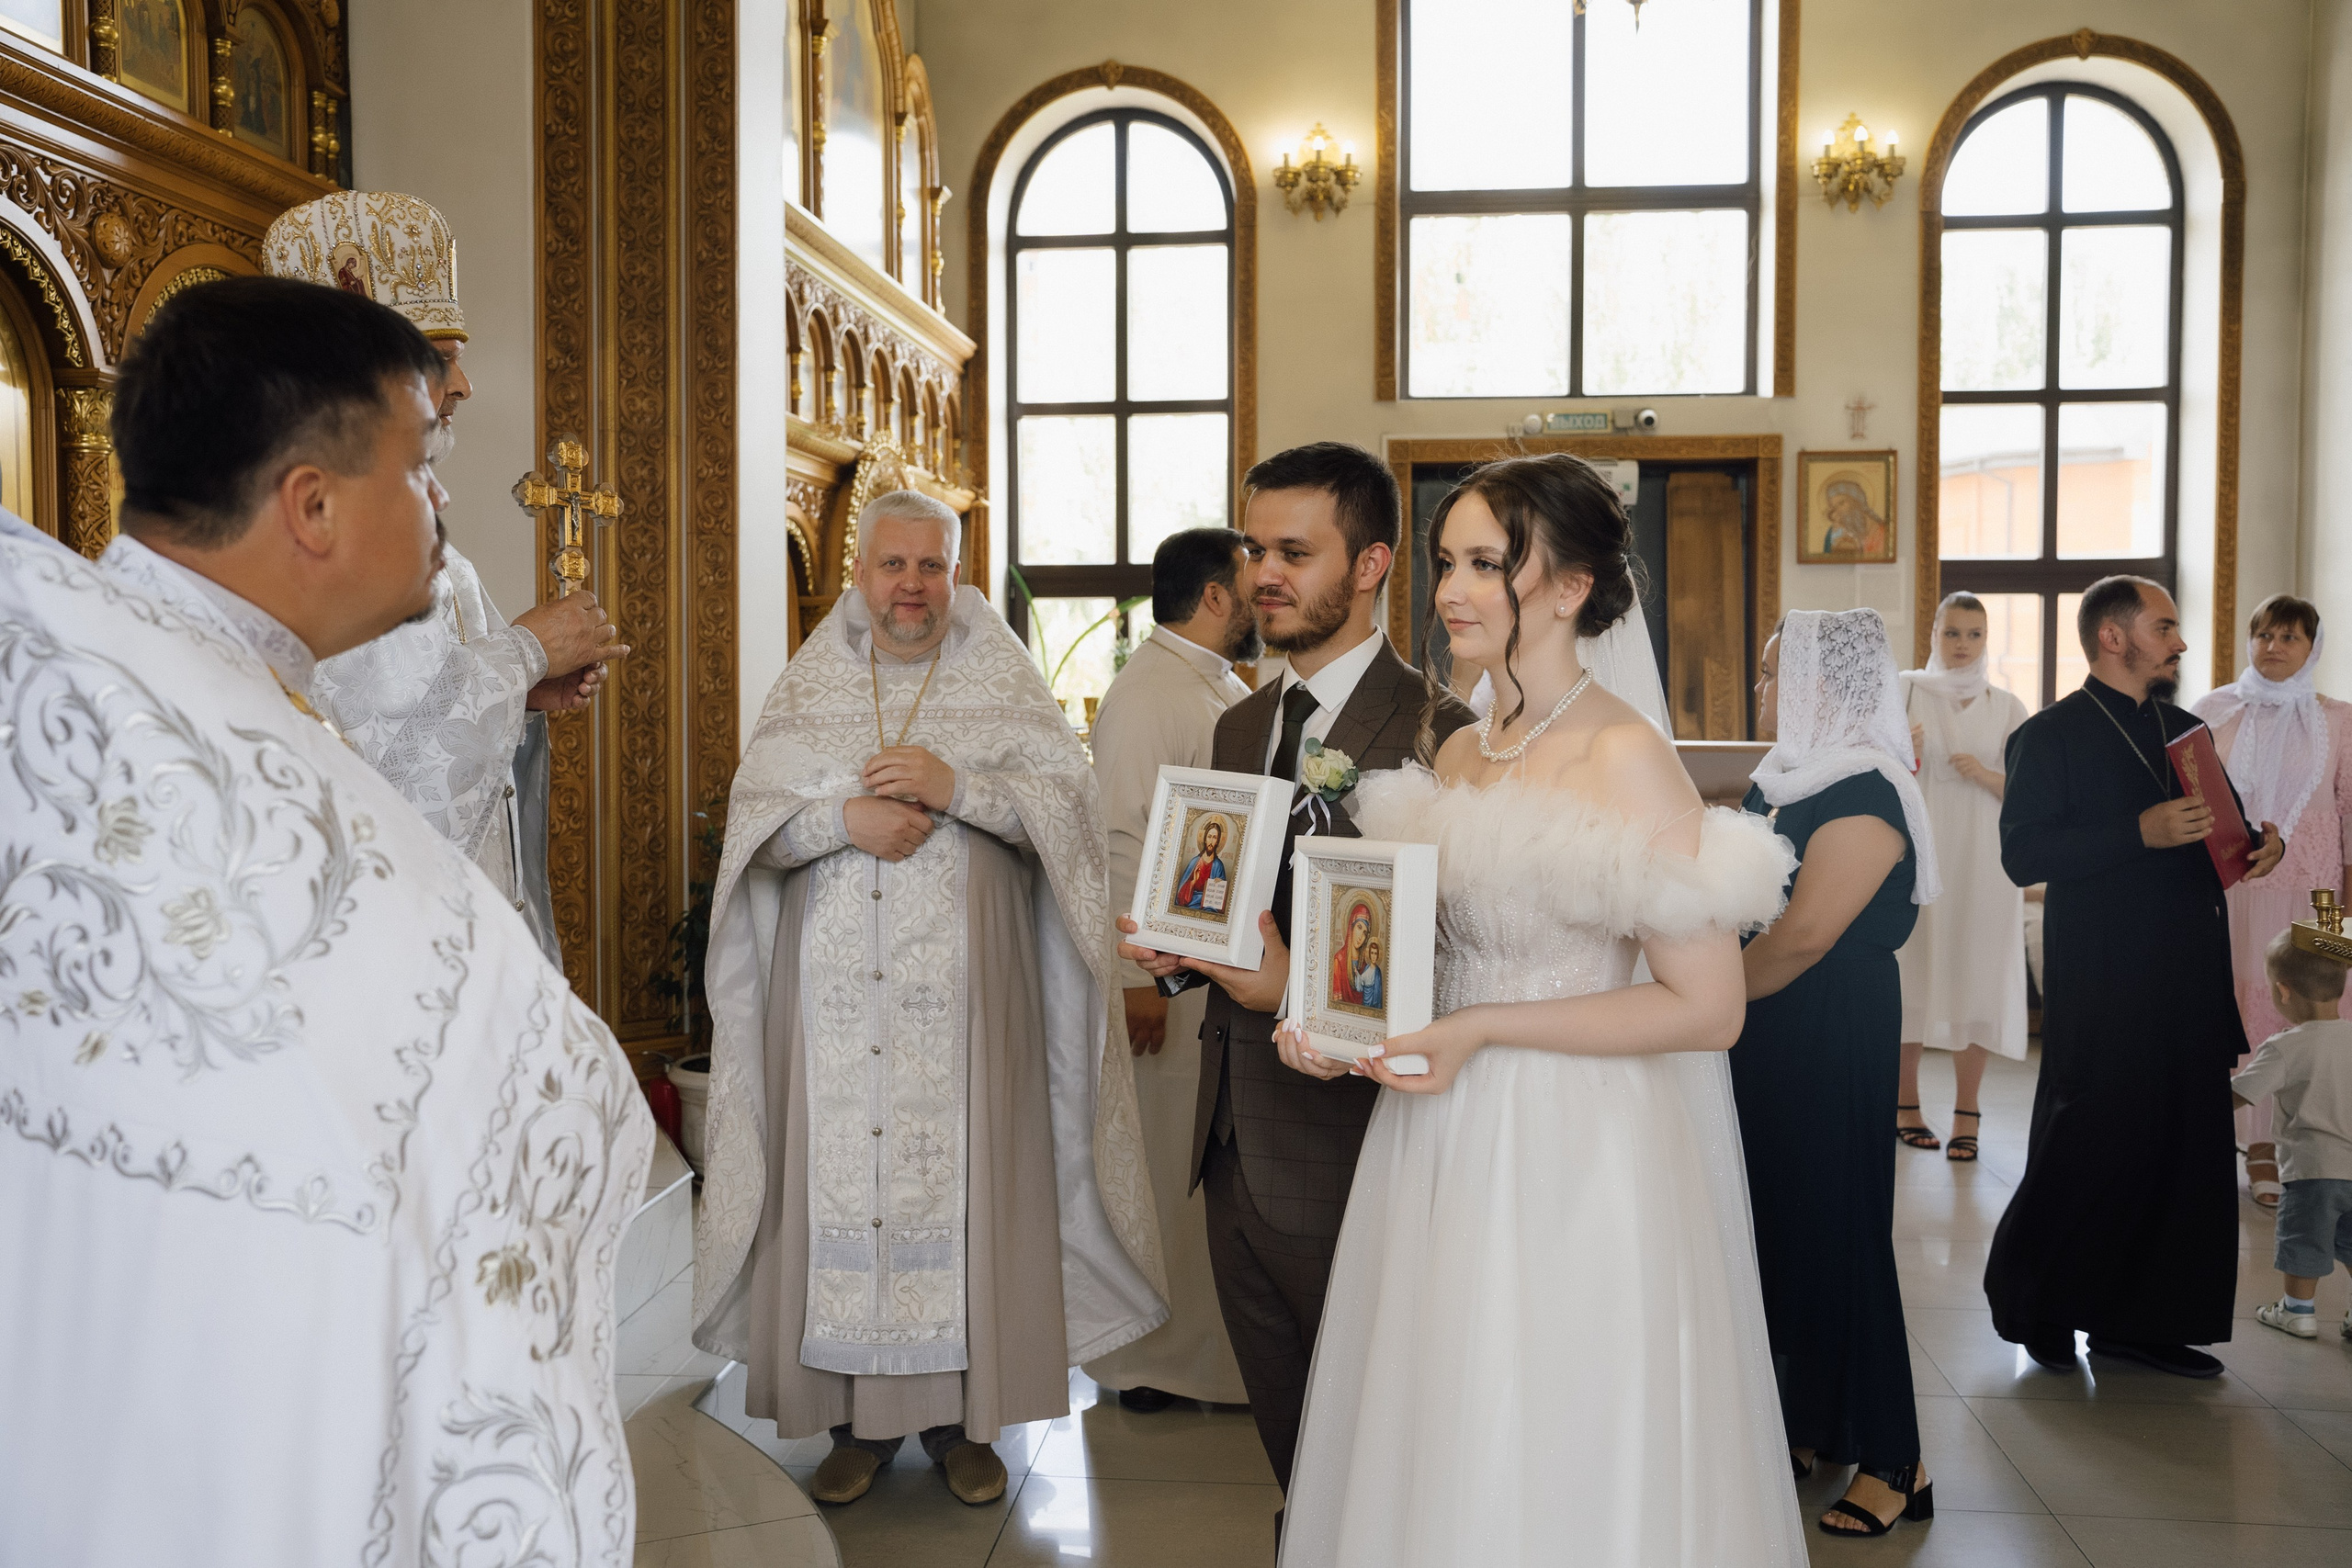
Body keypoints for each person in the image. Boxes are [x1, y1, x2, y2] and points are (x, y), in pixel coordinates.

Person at [0, 276, 651, 1562]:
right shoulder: (197, 736)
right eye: (421, 464)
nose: (441, 504)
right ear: (310, 503)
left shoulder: (109, 661)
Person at [1272, 452, 1804, 1567]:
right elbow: (1433, 963)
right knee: (1439, 1417)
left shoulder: (1623, 753)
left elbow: (1707, 1009)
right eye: (1447, 562)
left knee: (1553, 1420)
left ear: (1569, 587)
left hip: (1576, 1147)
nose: (1453, 590)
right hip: (1438, 1134)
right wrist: (1341, 1029)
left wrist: (1478, 1031)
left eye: (1488, 565)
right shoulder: (1460, 747)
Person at [690, 488, 1165, 1509]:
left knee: (969, 1200)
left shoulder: (1001, 680)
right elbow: (753, 833)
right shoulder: (810, 685)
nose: (912, 586)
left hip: (967, 1015)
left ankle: (963, 1424)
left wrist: (962, 791)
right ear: (859, 575)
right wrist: (840, 820)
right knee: (837, 1201)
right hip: (827, 1017)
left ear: (959, 573)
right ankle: (854, 1428)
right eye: (892, 566)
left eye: (932, 568)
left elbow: (1067, 825)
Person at [1117, 442, 1475, 1503]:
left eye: (1293, 551)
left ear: (1369, 565)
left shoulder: (1436, 734)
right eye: (1254, 548)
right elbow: (1231, 899)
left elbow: (1451, 958)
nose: (1263, 574)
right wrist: (1179, 947)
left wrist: (1289, 989)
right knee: (1289, 1433)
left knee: (1373, 1425)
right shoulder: (1238, 722)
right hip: (1229, 1134)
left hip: (1352, 1134)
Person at [265, 190, 625, 964]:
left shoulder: (422, 537)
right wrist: (524, 652)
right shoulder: (321, 543)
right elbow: (388, 796)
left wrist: (526, 693)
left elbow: (427, 716)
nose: (462, 384)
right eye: (440, 356)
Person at [1985, 577, 2284, 1380]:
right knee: (2089, 1139)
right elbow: (2024, 854)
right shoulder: (2049, 736)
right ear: (2114, 636)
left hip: (2188, 968)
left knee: (2180, 1150)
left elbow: (2224, 829)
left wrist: (2260, 845)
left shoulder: (2186, 728)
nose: (2181, 642)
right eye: (2167, 626)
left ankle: (2144, 1322)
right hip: (2104, 974)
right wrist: (2138, 832)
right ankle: (2040, 1303)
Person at [1732, 608, 1943, 1537]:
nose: (1761, 687)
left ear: (1829, 684)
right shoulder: (1781, 778)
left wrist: (1705, 1007)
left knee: (1837, 1226)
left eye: (1778, 671)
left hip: (1827, 1023)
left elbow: (1807, 934)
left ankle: (1897, 1457)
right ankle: (1805, 1419)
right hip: (1762, 1028)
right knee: (1777, 1225)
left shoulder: (1864, 787)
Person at [1081, 525, 1256, 1414]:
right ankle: (1149, 1363)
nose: (1262, 599)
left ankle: (1207, 1352)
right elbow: (1118, 835)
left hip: (1212, 963)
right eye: (1251, 581)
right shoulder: (1148, 693)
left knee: (1201, 1169)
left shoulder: (1216, 681)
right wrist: (1132, 978)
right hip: (1161, 976)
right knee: (1159, 1168)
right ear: (1216, 595)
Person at [2193, 595, 2352, 1210]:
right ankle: (2252, 1147)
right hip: (2230, 886)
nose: (2274, 646)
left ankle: (2310, 1145)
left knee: (2313, 1003)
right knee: (2232, 1002)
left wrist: (2345, 909)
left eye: (2289, 636)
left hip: (2318, 895)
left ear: (2312, 646)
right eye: (2264, 634)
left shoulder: (2338, 718)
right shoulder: (2214, 709)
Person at [1895, 592, 2030, 1160]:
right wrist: (1903, 749)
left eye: (1974, 634)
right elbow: (1869, 765)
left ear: (1985, 640)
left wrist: (1986, 774)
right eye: (1953, 632)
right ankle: (1905, 1103)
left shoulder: (2009, 707)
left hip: (1986, 860)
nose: (1962, 644)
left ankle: (1967, 1111)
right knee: (1913, 970)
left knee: (1976, 974)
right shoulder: (1904, 690)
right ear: (1934, 632)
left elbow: (2033, 792)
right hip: (1921, 851)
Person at [2236, 932, 2352, 1340]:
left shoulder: (2286, 1047)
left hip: (2312, 1170)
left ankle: (2298, 1311)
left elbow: (2242, 1093)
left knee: (2303, 1241)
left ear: (2283, 992)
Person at [1175, 819, 1230, 911]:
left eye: (1214, 837)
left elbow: (1222, 900)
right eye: (1209, 837)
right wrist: (1193, 881)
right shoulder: (1194, 862)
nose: (1211, 841)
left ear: (1217, 841)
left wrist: (1220, 885)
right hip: (1191, 903)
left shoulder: (1219, 865)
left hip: (1209, 906)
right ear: (1205, 839)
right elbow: (1180, 896)